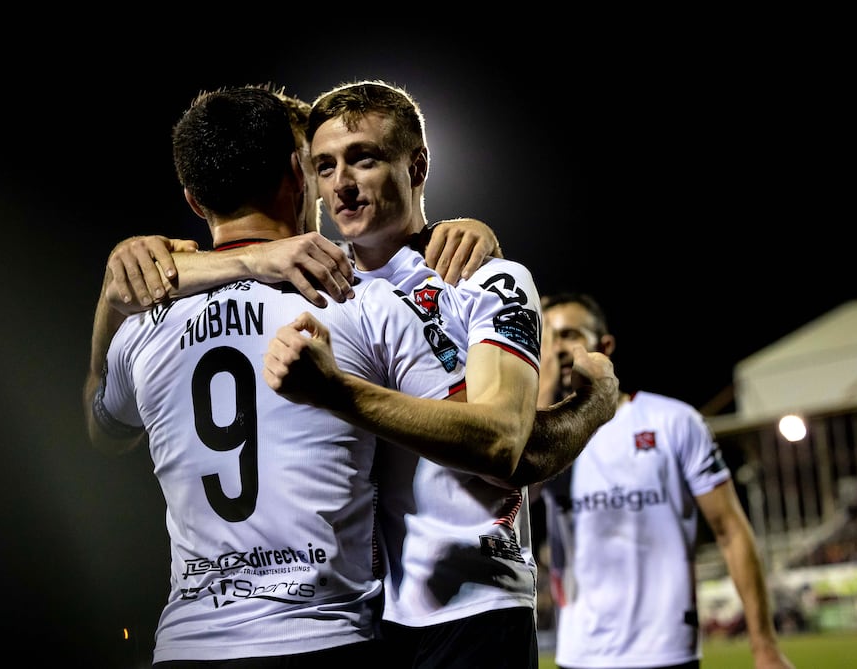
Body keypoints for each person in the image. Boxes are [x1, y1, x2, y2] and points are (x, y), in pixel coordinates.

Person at [105, 81, 619, 667]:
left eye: (364, 159)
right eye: (324, 166)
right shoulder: (327, 285)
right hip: (373, 617)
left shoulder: (480, 279)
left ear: (416, 166)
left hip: (472, 607)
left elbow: (507, 447)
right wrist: (128, 265)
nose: (341, 184)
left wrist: (596, 401)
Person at [83, 85, 469, 666]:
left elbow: (103, 427)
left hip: (188, 645)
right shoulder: (361, 298)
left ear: (194, 201)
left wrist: (112, 299)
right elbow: (471, 441)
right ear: (299, 171)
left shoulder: (144, 327)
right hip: (327, 636)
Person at [536, 292, 795, 669]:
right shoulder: (547, 437)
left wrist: (764, 644)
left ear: (605, 347)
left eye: (568, 335)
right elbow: (514, 495)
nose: (557, 349)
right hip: (581, 653)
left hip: (667, 650)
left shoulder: (673, 421)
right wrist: (543, 395)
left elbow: (731, 531)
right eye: (546, 337)